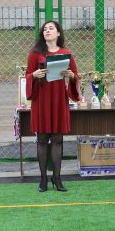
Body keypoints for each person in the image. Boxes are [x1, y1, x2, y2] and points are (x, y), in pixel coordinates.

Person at [25, 20, 80, 192]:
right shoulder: (35, 53)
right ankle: (43, 178)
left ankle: (57, 178)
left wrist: (71, 76)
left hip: (58, 100)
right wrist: (34, 75)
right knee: (42, 139)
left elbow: (75, 75)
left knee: (57, 139)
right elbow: (28, 75)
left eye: (51, 28)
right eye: (45, 29)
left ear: (58, 33)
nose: (47, 31)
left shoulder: (66, 53)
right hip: (41, 100)